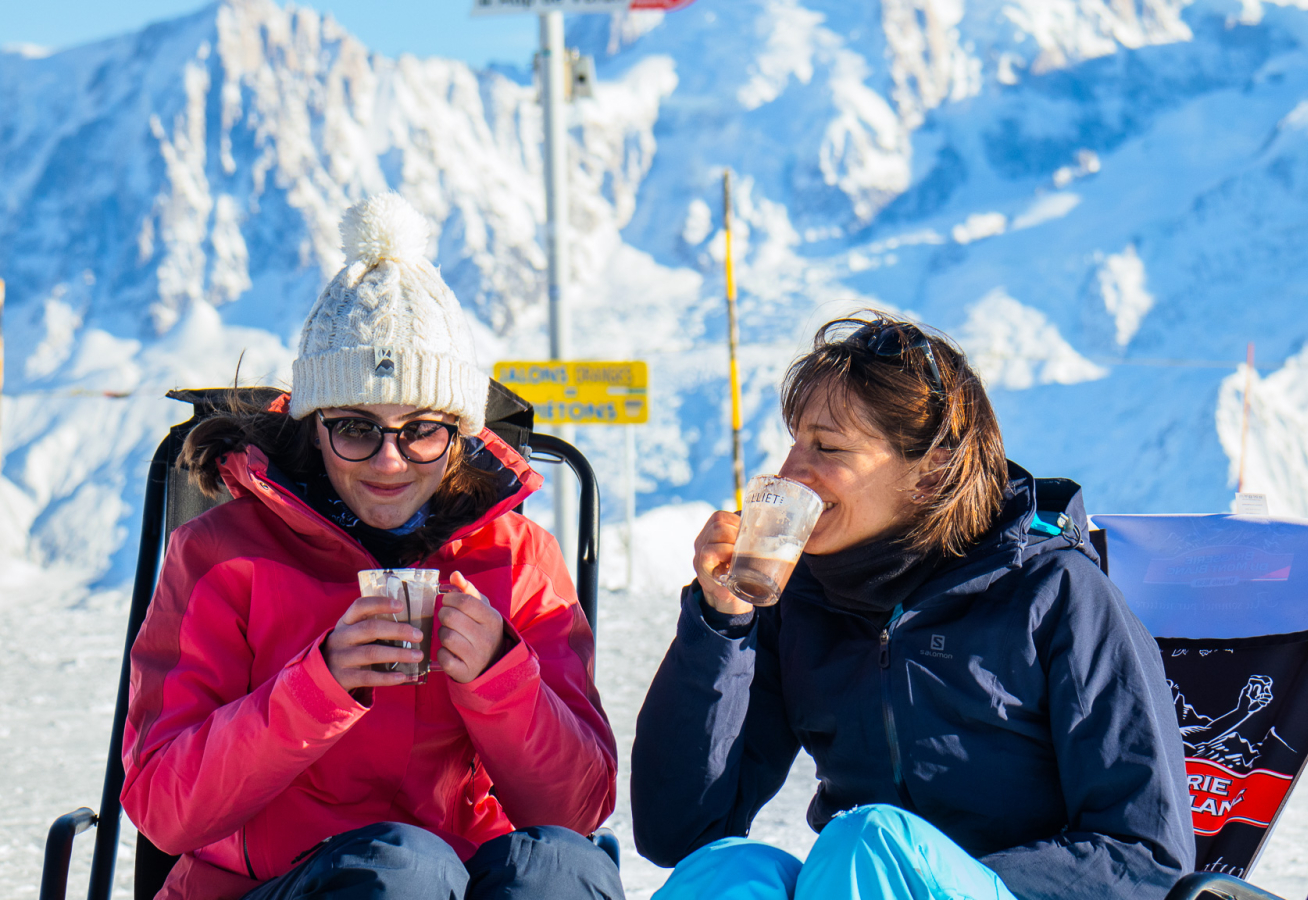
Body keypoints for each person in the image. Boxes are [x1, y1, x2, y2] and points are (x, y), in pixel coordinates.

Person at [121, 194, 622, 900]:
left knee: (559, 869)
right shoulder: (221, 555)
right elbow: (165, 813)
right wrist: (314, 687)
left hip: (460, 877)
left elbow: (574, 813)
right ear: (314, 424)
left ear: (460, 433)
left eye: (421, 429)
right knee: (405, 869)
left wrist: (501, 678)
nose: (390, 462)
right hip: (266, 886)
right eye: (356, 427)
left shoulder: (516, 558)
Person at [631, 314, 1194, 900]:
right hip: (859, 882)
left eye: (827, 447)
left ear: (931, 472)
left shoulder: (1055, 595)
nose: (791, 473)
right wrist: (721, 624)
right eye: (795, 442)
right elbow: (681, 833)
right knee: (729, 873)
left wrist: (924, 874)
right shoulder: (802, 601)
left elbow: (1145, 858)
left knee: (867, 845)